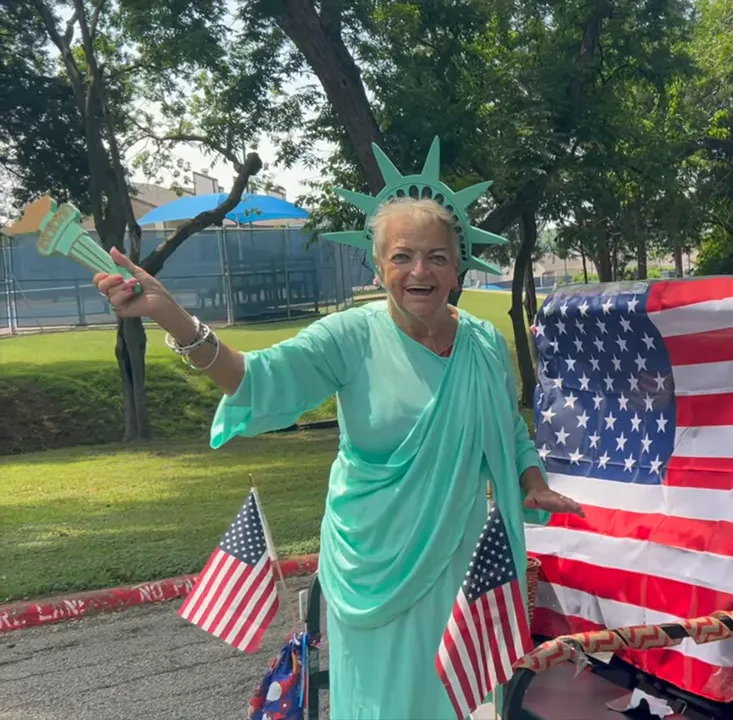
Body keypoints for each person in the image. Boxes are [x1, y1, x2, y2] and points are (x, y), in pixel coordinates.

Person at [94, 196, 584, 718]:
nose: (420, 271)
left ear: (458, 265)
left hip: (455, 557)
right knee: (379, 701)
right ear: (378, 266)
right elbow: (256, 378)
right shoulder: (349, 335)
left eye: (437, 257)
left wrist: (530, 479)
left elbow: (506, 426)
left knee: (451, 697)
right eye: (402, 256)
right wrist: (169, 313)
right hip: (371, 563)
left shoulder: (484, 343)